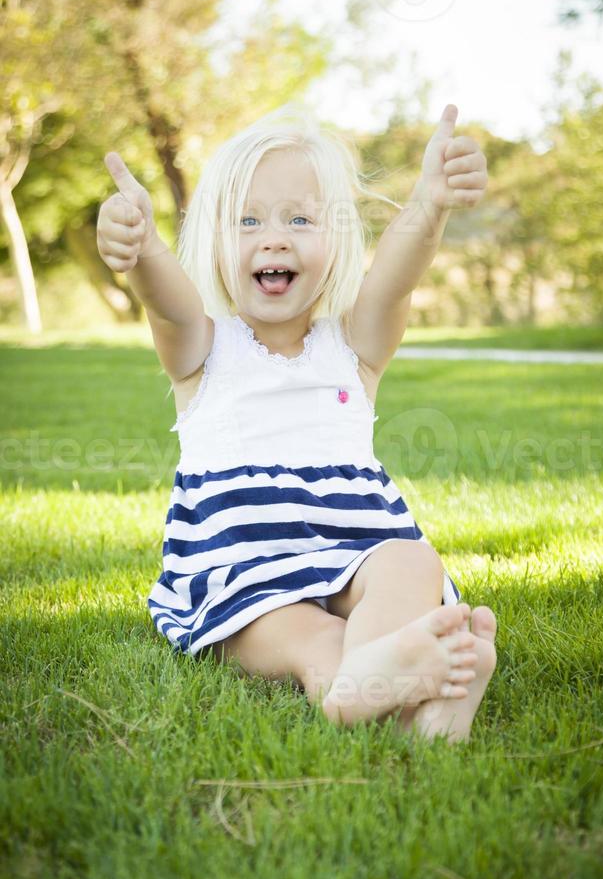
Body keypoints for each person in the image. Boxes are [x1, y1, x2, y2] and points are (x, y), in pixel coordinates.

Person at [96, 101, 497, 742]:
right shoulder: (203, 353)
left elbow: (394, 281)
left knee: (411, 561)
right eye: (247, 220)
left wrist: (431, 201)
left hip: (354, 550)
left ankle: (428, 710)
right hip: (244, 572)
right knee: (315, 635)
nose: (273, 237)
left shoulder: (352, 350)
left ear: (334, 242)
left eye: (300, 219)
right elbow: (168, 306)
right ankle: (363, 690)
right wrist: (142, 248)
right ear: (216, 243)